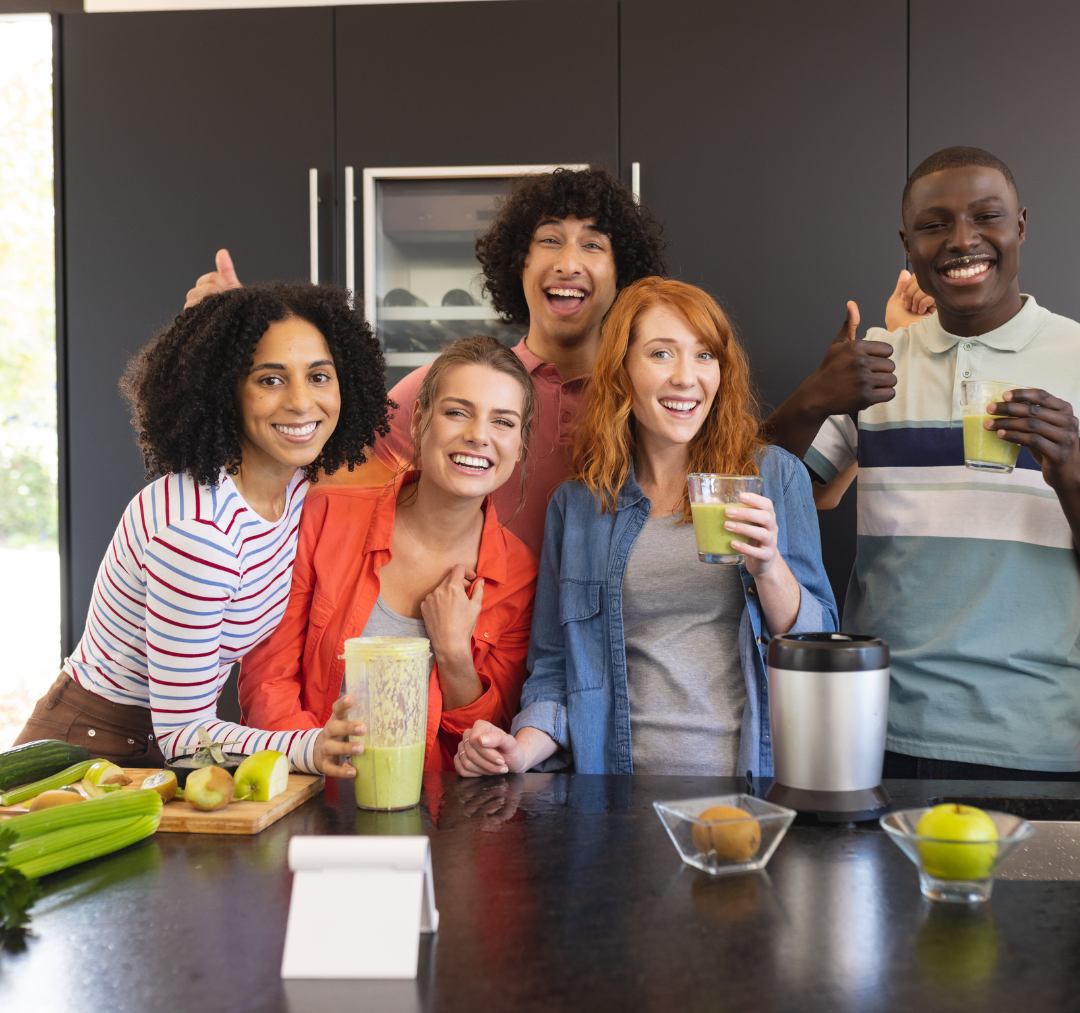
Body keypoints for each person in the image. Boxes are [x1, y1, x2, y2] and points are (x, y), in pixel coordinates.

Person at [454, 278, 837, 778]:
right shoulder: (578, 508)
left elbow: (821, 640)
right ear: (622, 371)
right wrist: (520, 752)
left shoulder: (775, 477)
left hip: (754, 788)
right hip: (614, 795)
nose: (686, 377)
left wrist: (769, 568)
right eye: (661, 354)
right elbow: (554, 671)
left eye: (704, 356)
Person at [783, 146, 1080, 781]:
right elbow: (754, 505)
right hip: (873, 731)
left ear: (1020, 226)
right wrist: (811, 398)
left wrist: (1073, 474)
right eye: (934, 223)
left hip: (1038, 737)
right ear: (908, 244)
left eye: (986, 217)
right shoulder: (875, 362)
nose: (962, 240)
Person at [185, 169, 668, 558]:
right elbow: (311, 474)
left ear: (621, 271)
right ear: (517, 263)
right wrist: (241, 344)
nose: (568, 263)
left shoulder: (648, 393)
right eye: (549, 240)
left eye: (592, 244)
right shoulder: (452, 386)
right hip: (471, 637)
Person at [15, 283, 392, 777]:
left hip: (154, 749)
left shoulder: (297, 486)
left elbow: (409, 449)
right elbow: (183, 735)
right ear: (224, 390)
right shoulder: (198, 534)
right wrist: (309, 747)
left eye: (319, 376)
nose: (303, 403)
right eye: (270, 380)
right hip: (87, 752)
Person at [238, 336, 539, 771]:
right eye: (457, 412)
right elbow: (268, 679)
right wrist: (317, 762)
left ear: (521, 446)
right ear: (419, 421)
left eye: (503, 422)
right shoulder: (324, 516)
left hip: (439, 818)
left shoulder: (521, 575)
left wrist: (454, 652)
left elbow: (486, 745)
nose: (478, 436)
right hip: (311, 799)